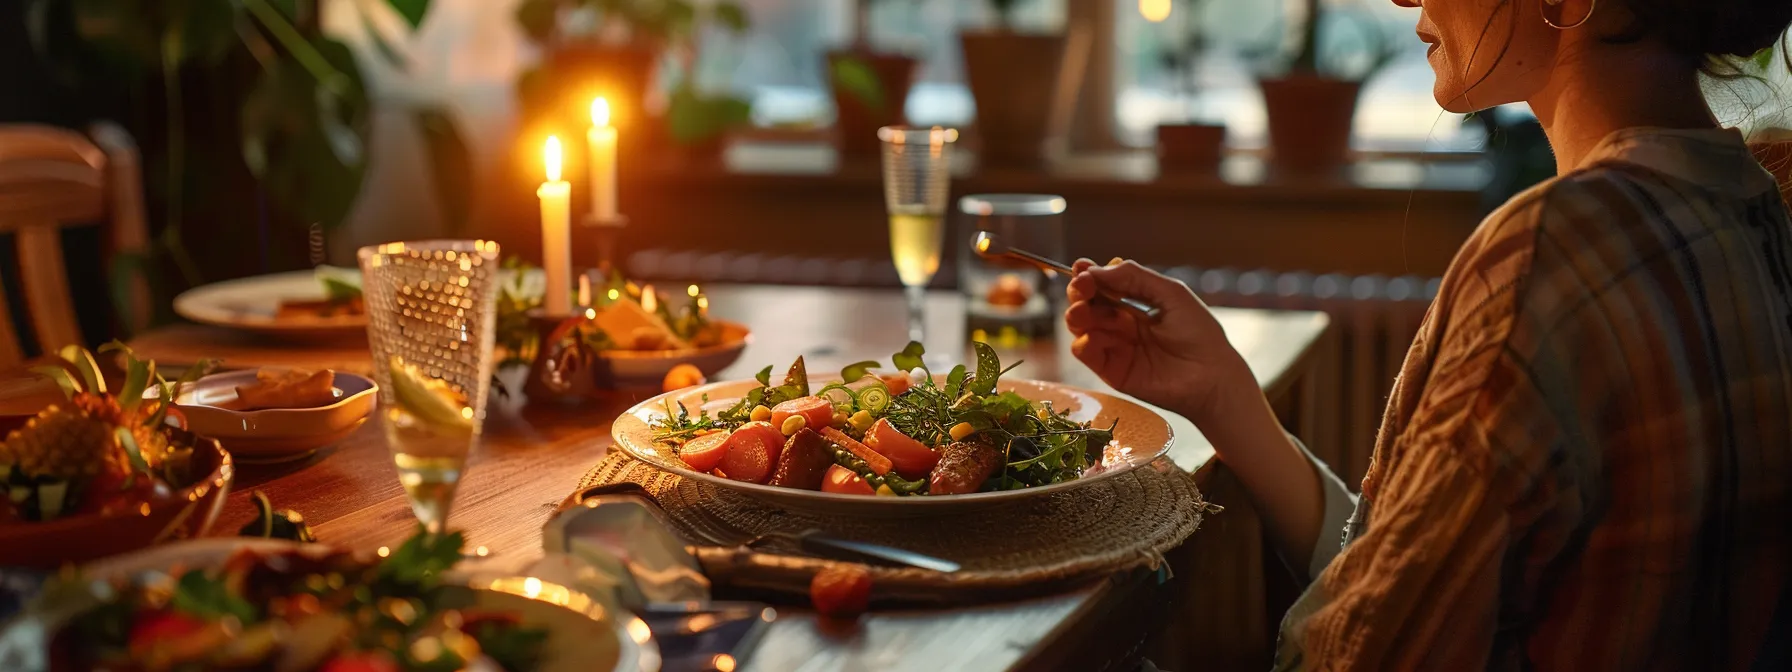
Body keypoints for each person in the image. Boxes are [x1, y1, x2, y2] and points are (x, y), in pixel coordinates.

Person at [1065, 0, 1792, 668]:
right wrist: (1224, 393)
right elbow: (1408, 587)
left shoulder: (1556, 250)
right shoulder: (1749, 211)